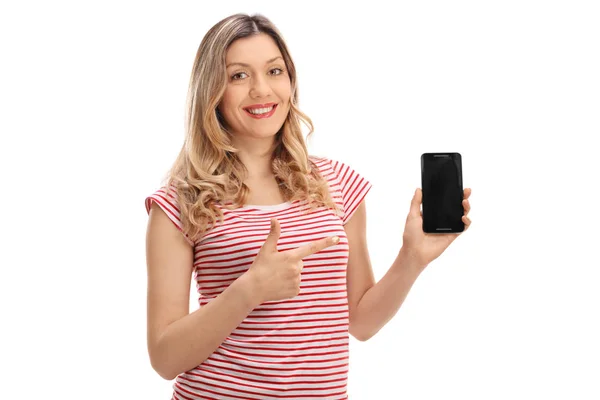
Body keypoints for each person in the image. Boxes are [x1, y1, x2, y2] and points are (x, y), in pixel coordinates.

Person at [144, 13, 472, 400]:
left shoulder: (337, 183)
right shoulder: (179, 202)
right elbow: (165, 358)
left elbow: (361, 322)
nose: (261, 90)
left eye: (274, 71)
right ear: (211, 91)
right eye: (238, 75)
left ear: (291, 81)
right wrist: (248, 291)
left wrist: (412, 258)